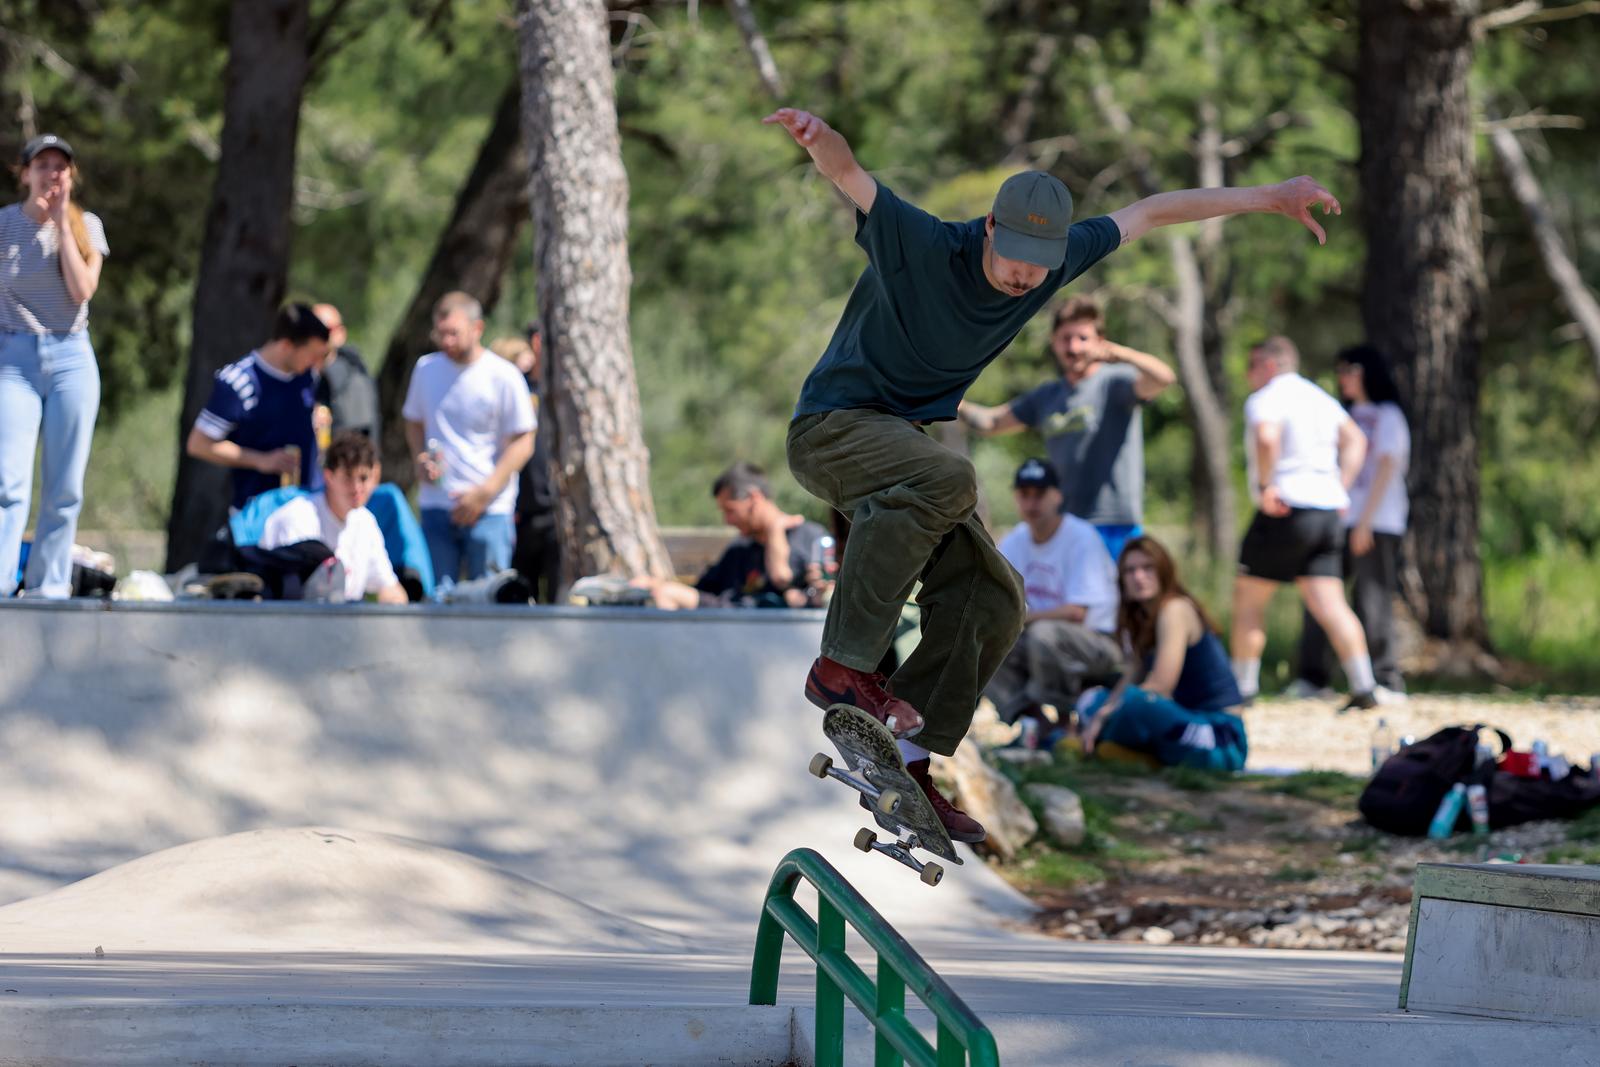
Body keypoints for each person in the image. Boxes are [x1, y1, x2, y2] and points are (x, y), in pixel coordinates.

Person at [766, 103, 1340, 842]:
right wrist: (819, 138)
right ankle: (844, 667)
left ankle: (906, 759)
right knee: (952, 479)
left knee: (996, 596)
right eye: (1013, 260)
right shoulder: (923, 243)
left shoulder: (1057, 259)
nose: (1023, 278)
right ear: (990, 228)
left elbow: (1152, 210)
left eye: (1039, 267)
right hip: (832, 428)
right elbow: (851, 175)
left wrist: (1269, 196)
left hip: (900, 451)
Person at [958, 297, 1175, 562]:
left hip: (1114, 523)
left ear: (1100, 341)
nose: (1073, 347)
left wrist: (1120, 354)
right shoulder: (1047, 396)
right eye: (1066, 339)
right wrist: (948, 401)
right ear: (1054, 342)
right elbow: (991, 423)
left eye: (1083, 338)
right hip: (1065, 524)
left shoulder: (1115, 382)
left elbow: (1163, 378)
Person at [1230, 336, 1377, 710]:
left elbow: (1266, 438)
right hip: (1327, 510)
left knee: (1248, 599)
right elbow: (1357, 441)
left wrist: (1266, 486)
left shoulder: (1267, 397)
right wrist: (1340, 486)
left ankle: (1241, 689)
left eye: (1251, 366)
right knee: (1331, 603)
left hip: (1285, 508)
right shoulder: (1320, 398)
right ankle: (1364, 685)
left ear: (1269, 365)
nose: (1248, 375)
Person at [0, 134, 108, 599]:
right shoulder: (4, 225)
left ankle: (49, 588)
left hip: (71, 359)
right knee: (8, 481)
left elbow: (82, 291)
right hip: (14, 359)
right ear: (25, 173)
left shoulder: (87, 226)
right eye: (42, 165)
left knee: (64, 488)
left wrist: (63, 224)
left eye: (60, 166)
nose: (52, 174)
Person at [1291, 344, 1410, 702]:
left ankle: (1386, 679)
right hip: (1338, 519)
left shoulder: (1388, 415)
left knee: (1373, 600)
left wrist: (1365, 521)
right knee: (1320, 597)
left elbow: (1387, 466)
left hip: (1377, 521)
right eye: (1339, 371)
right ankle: (1313, 678)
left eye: (1349, 370)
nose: (1342, 378)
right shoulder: (1341, 415)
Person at [402, 291, 534, 588]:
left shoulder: (503, 375)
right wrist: (420, 457)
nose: (447, 341)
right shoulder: (426, 369)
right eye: (441, 334)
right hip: (437, 504)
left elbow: (524, 441)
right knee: (437, 598)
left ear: (477, 328)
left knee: (488, 598)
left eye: (454, 333)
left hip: (489, 510)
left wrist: (485, 492)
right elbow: (414, 421)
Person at [1081, 536, 1247, 771]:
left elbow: (1160, 687)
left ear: (1163, 570)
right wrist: (1102, 711)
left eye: (1147, 568)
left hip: (1221, 736)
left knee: (1139, 703)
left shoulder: (1175, 609)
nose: (1139, 577)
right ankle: (1126, 750)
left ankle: (1109, 745)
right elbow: (1131, 677)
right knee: (1091, 700)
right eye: (1130, 570)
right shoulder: (1143, 619)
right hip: (1180, 718)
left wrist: (1105, 716)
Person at [984, 458, 1120, 743]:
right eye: (1024, 494)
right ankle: (1034, 721)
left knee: (1043, 634)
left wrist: (1021, 617)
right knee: (983, 638)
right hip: (1042, 638)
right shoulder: (1015, 541)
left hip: (1099, 642)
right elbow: (996, 599)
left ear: (1057, 496)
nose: (1032, 502)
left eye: (1040, 494)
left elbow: (1076, 613)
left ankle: (1065, 721)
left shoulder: (1081, 537)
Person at [622, 461, 833, 610]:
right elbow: (702, 590)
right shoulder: (740, 548)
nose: (727, 520)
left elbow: (786, 581)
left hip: (775, 633)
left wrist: (775, 530)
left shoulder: (810, 537)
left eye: (730, 510)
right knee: (664, 592)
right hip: (726, 624)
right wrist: (656, 584)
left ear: (754, 498)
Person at [187, 302, 328, 510]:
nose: (317, 363)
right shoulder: (239, 382)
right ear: (286, 345)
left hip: (307, 505)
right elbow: (199, 444)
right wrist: (261, 460)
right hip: (259, 512)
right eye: (312, 355)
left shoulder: (307, 376)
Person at [258, 431, 408, 604]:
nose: (357, 488)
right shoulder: (297, 518)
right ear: (328, 477)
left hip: (340, 617)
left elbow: (390, 587)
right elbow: (293, 596)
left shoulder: (366, 522)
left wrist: (396, 607)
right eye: (348, 477)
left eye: (363, 478)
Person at [498, 325, 561, 603]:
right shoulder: (516, 386)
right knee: (520, 597)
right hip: (520, 512)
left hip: (558, 512)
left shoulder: (566, 389)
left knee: (560, 596)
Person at [311, 303, 380, 441]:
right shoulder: (296, 376)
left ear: (340, 334)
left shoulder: (354, 380)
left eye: (322, 330)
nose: (314, 336)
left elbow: (359, 441)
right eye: (309, 329)